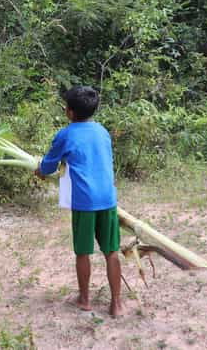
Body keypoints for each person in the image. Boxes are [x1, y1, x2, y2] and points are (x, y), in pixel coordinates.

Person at [34, 86, 124, 317]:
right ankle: (116, 304)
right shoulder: (102, 131)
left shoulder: (66, 135)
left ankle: (85, 299)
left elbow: (48, 166)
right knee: (111, 251)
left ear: (70, 112)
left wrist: (40, 170)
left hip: (84, 201)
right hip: (108, 198)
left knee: (83, 252)